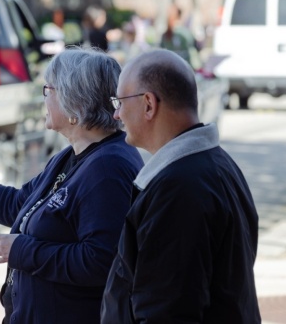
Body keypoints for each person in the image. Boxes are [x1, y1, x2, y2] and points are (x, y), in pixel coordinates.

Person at [0, 46, 144, 323]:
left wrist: (22, 251)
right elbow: (17, 205)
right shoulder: (72, 156)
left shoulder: (108, 167)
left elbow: (100, 261)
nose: (44, 98)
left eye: (48, 90)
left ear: (74, 102)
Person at [100, 49, 261, 323]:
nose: (116, 114)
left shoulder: (179, 189)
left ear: (149, 104)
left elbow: (167, 311)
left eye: (120, 101)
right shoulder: (216, 165)